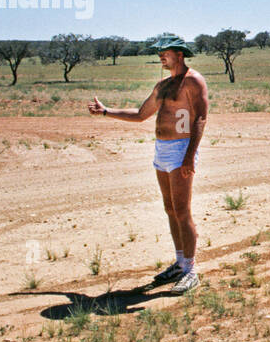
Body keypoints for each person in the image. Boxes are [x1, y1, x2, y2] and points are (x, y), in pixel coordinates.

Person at [87, 34, 208, 293]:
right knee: (170, 209)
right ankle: (179, 262)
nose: (161, 56)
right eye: (159, 53)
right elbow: (141, 114)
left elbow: (200, 119)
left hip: (181, 149)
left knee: (183, 210)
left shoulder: (193, 81)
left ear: (180, 54)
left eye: (165, 52)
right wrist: (107, 112)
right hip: (162, 150)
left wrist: (189, 155)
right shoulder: (162, 85)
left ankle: (190, 271)